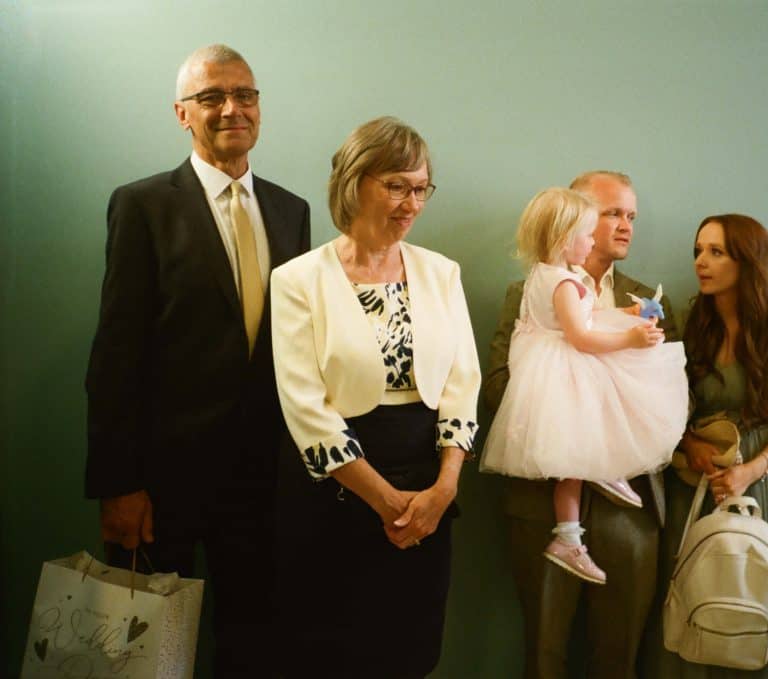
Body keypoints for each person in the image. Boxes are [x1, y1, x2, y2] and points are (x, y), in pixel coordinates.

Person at [84, 44, 310, 676]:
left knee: (253, 643)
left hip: (263, 480)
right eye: (212, 97)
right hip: (161, 485)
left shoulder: (292, 211)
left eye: (245, 95)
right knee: (149, 652)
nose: (232, 108)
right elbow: (115, 352)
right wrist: (118, 483)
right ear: (183, 114)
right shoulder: (143, 205)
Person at [270, 116, 480, 678]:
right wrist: (387, 502)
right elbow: (305, 408)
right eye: (396, 185)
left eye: (420, 188)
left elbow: (463, 385)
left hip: (430, 485)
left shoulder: (441, 273)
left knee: (412, 651)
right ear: (355, 181)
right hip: (340, 492)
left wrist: (442, 490)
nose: (411, 202)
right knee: (337, 651)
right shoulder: (297, 280)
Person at [483, 171, 679, 678]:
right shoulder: (528, 289)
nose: (623, 226)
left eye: (630, 216)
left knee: (621, 657)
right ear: (576, 215)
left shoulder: (650, 300)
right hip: (542, 500)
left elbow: (672, 392)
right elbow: (499, 383)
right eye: (612, 212)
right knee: (544, 653)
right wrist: (570, 427)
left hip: (631, 506)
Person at [644, 214, 768, 678]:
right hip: (694, 481)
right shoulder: (688, 326)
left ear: (749, 261)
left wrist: (751, 470)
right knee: (696, 599)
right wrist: (689, 441)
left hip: (762, 481)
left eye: (716, 251)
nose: (702, 261)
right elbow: (659, 399)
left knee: (752, 597)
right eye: (699, 250)